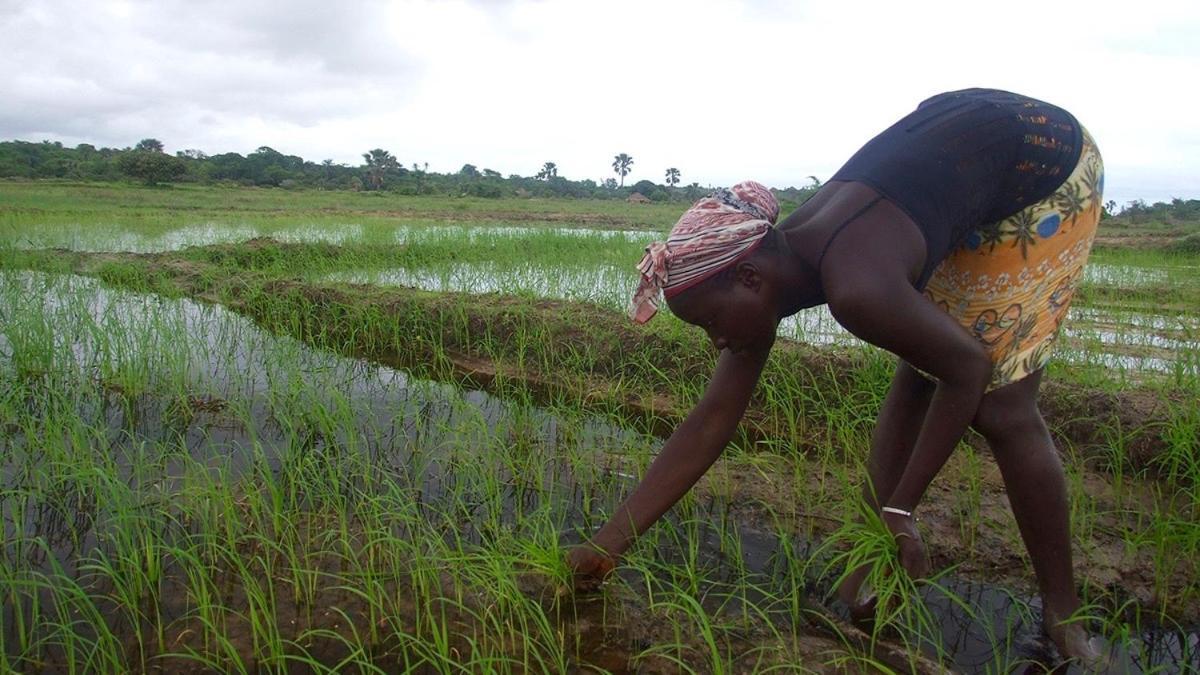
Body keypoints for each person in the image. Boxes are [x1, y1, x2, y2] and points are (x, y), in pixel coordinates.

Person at [566, 88, 1106, 666]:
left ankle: (1063, 617)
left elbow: (968, 370)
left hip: (1043, 163)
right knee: (922, 364)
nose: (717, 340)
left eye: (711, 322)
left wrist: (904, 508)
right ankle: (866, 569)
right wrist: (607, 546)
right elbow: (710, 422)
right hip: (962, 150)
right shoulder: (778, 270)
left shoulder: (856, 287)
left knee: (1002, 408)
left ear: (749, 277)